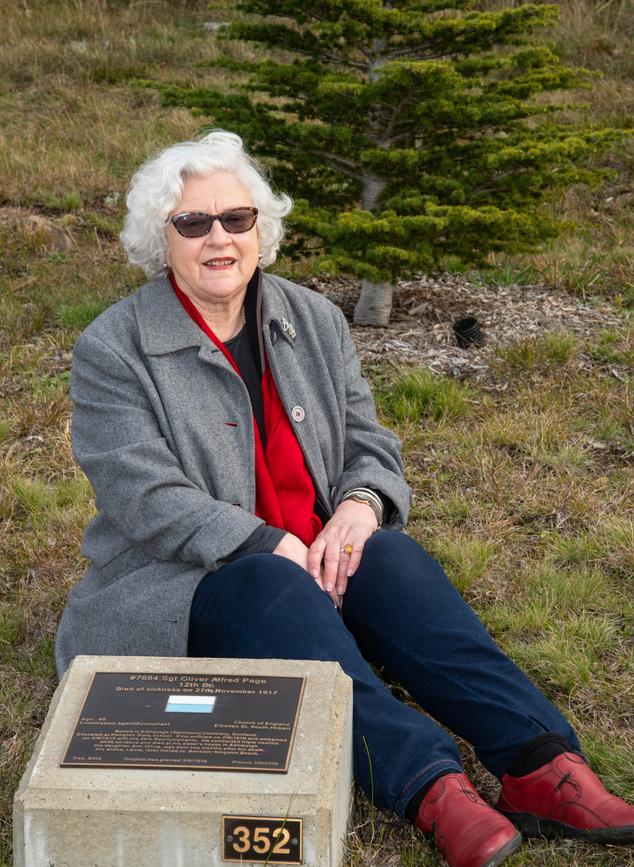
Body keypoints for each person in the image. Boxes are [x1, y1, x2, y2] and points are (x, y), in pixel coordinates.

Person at [55, 130, 634, 867]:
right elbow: (144, 494)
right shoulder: (114, 348)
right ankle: (431, 784)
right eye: (193, 223)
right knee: (268, 585)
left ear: (261, 230)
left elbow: (369, 442)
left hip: (317, 554)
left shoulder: (314, 320)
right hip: (189, 584)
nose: (219, 238)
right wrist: (266, 543)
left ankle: (540, 762)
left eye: (236, 218)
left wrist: (360, 503)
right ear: (159, 240)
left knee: (387, 555)